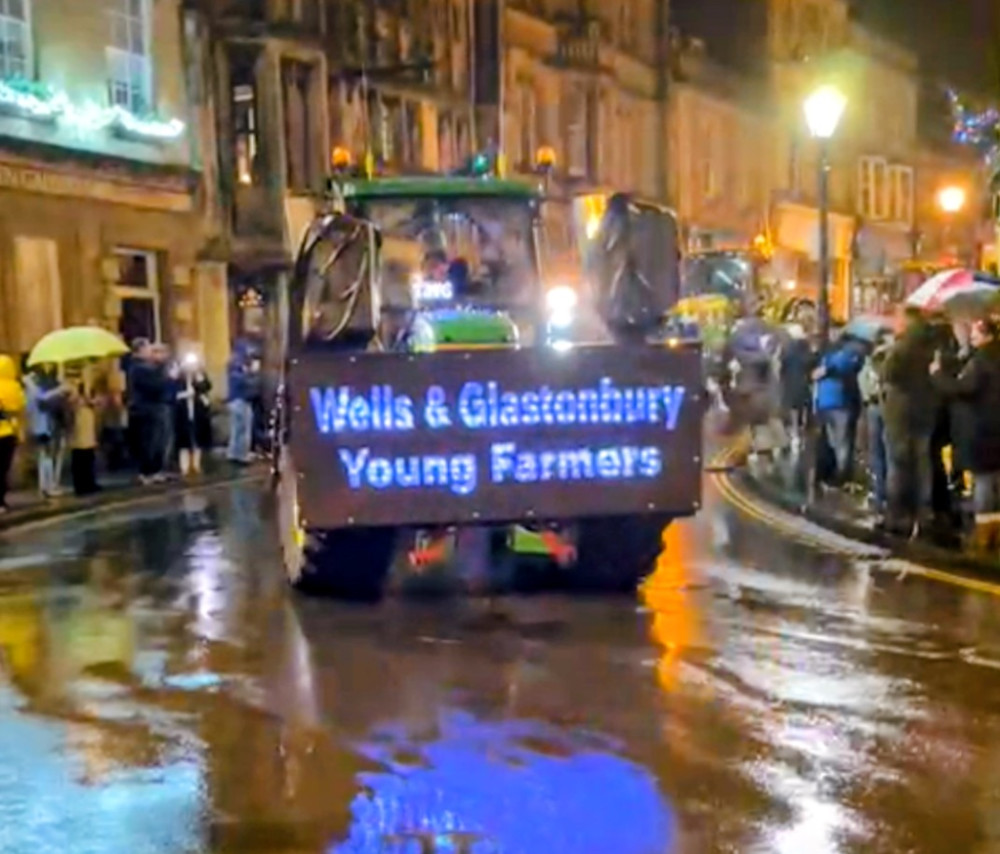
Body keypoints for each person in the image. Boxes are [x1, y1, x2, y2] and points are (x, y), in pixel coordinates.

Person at [931, 319, 1000, 554]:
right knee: (993, 482)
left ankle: (984, 536)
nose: (971, 335)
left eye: (976, 331)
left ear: (988, 335)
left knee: (983, 482)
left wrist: (938, 375)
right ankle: (995, 532)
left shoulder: (981, 361)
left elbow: (964, 388)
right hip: (994, 428)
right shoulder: (988, 357)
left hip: (983, 429)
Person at [882, 307, 938, 535]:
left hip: (901, 414)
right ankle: (924, 512)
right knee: (923, 464)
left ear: (906, 322)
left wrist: (888, 351)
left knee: (899, 464)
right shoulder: (932, 345)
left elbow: (888, 374)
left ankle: (898, 514)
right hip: (925, 411)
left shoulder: (901, 347)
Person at [812, 328, 865, 486]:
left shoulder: (850, 351)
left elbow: (843, 366)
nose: (832, 334)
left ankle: (842, 475)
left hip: (842, 402)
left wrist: (827, 369)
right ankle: (835, 473)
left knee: (842, 442)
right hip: (827, 402)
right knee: (834, 441)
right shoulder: (829, 351)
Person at [22, 363, 70, 498]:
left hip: (38, 422)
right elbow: (42, 398)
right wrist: (59, 390)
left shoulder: (29, 384)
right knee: (46, 454)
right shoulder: (30, 383)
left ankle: (45, 486)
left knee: (44, 454)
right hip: (40, 423)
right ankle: (47, 486)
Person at [858, 331, 891, 517]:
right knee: (888, 454)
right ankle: (886, 496)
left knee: (878, 455)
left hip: (873, 408)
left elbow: (863, 385)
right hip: (888, 409)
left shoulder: (869, 363)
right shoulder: (892, 360)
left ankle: (880, 495)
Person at [127, 338, 167, 485]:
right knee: (148, 442)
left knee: (157, 441)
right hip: (145, 408)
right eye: (148, 349)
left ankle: (155, 470)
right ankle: (146, 472)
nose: (150, 352)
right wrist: (165, 374)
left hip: (153, 407)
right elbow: (154, 385)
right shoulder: (138, 368)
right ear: (140, 350)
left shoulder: (147, 367)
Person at [174, 354, 213, 476]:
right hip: (182, 411)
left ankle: (196, 465)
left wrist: (199, 377)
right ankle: (184, 467)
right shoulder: (178, 377)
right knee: (183, 440)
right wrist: (184, 394)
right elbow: (172, 391)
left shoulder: (199, 375)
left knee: (198, 437)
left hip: (197, 411)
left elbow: (207, 387)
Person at [779, 323, 814, 450]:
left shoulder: (786, 349)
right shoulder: (805, 348)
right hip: (803, 384)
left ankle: (792, 436)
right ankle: (799, 434)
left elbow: (781, 366)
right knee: (801, 410)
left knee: (791, 410)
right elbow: (810, 363)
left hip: (789, 384)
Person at [0, 354, 26, 514]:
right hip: (9, 432)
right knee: (3, 468)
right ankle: (1, 501)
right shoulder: (15, 387)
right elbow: (21, 408)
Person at [69, 380, 99, 496]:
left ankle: (90, 482)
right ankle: (81, 485)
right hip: (78, 428)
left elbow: (93, 402)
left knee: (89, 455)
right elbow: (70, 407)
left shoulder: (86, 392)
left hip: (87, 426)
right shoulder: (70, 391)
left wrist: (90, 400)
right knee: (80, 457)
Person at [226, 344, 254, 465]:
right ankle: (242, 455)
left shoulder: (231, 365)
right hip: (241, 400)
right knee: (244, 429)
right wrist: (250, 373)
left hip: (234, 400)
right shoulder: (239, 366)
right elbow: (244, 382)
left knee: (236, 429)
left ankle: (233, 453)